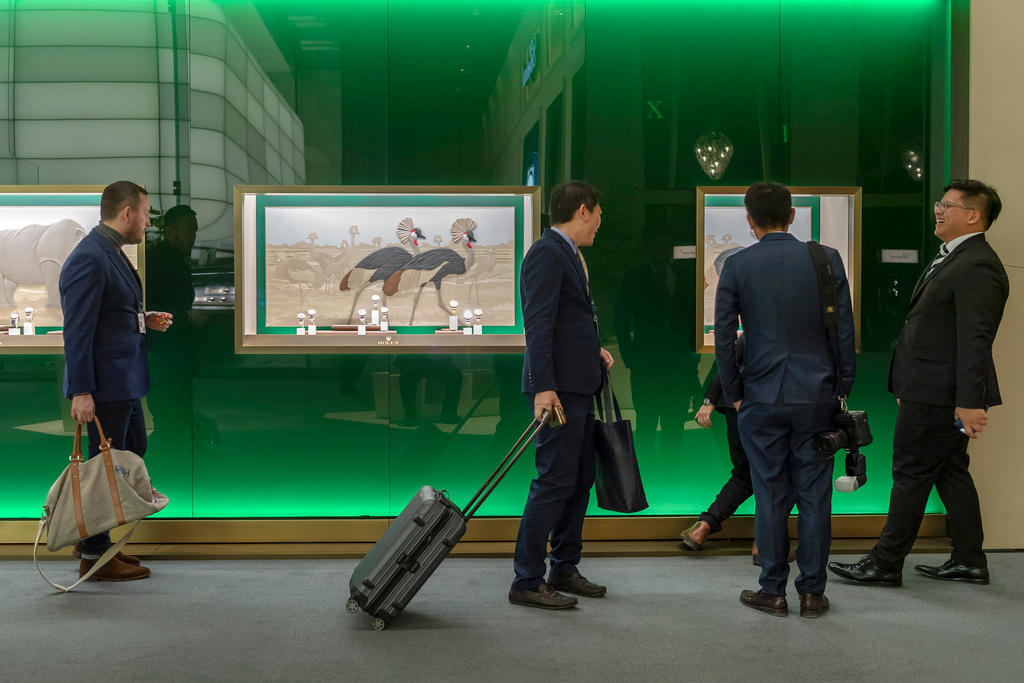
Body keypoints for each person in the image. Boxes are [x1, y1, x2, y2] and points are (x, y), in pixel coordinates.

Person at [829, 180, 1009, 587]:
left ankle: (886, 562)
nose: (938, 211)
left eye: (947, 205)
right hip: (927, 388)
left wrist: (969, 401)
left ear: (973, 215)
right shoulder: (956, 258)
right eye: (938, 204)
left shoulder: (977, 264)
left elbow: (974, 340)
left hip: (941, 395)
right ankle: (969, 559)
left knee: (910, 472)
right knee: (950, 471)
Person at [715, 182, 855, 618]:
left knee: (770, 493)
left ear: (748, 218)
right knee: (815, 496)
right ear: (793, 216)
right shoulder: (824, 258)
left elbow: (724, 338)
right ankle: (813, 592)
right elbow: (845, 328)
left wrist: (733, 394)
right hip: (816, 396)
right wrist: (842, 384)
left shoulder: (736, 265)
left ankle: (772, 590)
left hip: (760, 396)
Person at [60, 180, 173, 582]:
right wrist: (82, 390)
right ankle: (92, 552)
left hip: (123, 383)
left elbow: (106, 314)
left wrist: (143, 320)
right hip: (104, 387)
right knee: (105, 468)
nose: (147, 223)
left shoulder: (109, 252)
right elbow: (77, 331)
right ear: (127, 212)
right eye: (145, 214)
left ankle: (99, 544)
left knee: (129, 455)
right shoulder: (90, 257)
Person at [509, 180, 614, 610]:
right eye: (599, 216)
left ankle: (564, 567)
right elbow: (537, 325)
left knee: (579, 481)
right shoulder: (546, 252)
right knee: (553, 481)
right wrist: (543, 386)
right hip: (558, 393)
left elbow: (567, 320)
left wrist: (594, 349)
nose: (600, 226)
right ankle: (526, 580)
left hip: (577, 386)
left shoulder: (569, 254)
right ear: (584, 210)